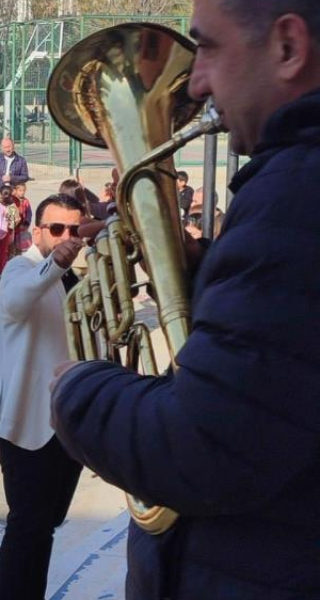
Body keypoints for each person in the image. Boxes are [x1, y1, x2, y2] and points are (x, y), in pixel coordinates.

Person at [50, 2, 320, 599]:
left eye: (210, 49)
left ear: (288, 47)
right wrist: (213, 285)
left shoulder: (296, 191)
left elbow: (205, 448)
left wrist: (77, 388)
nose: (196, 85)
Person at [0, 194, 84, 600]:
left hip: (67, 423)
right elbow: (16, 300)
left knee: (46, 526)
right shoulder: (19, 268)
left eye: (74, 230)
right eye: (57, 229)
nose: (66, 237)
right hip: (27, 422)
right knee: (27, 527)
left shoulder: (72, 279)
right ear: (36, 231)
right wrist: (56, 262)